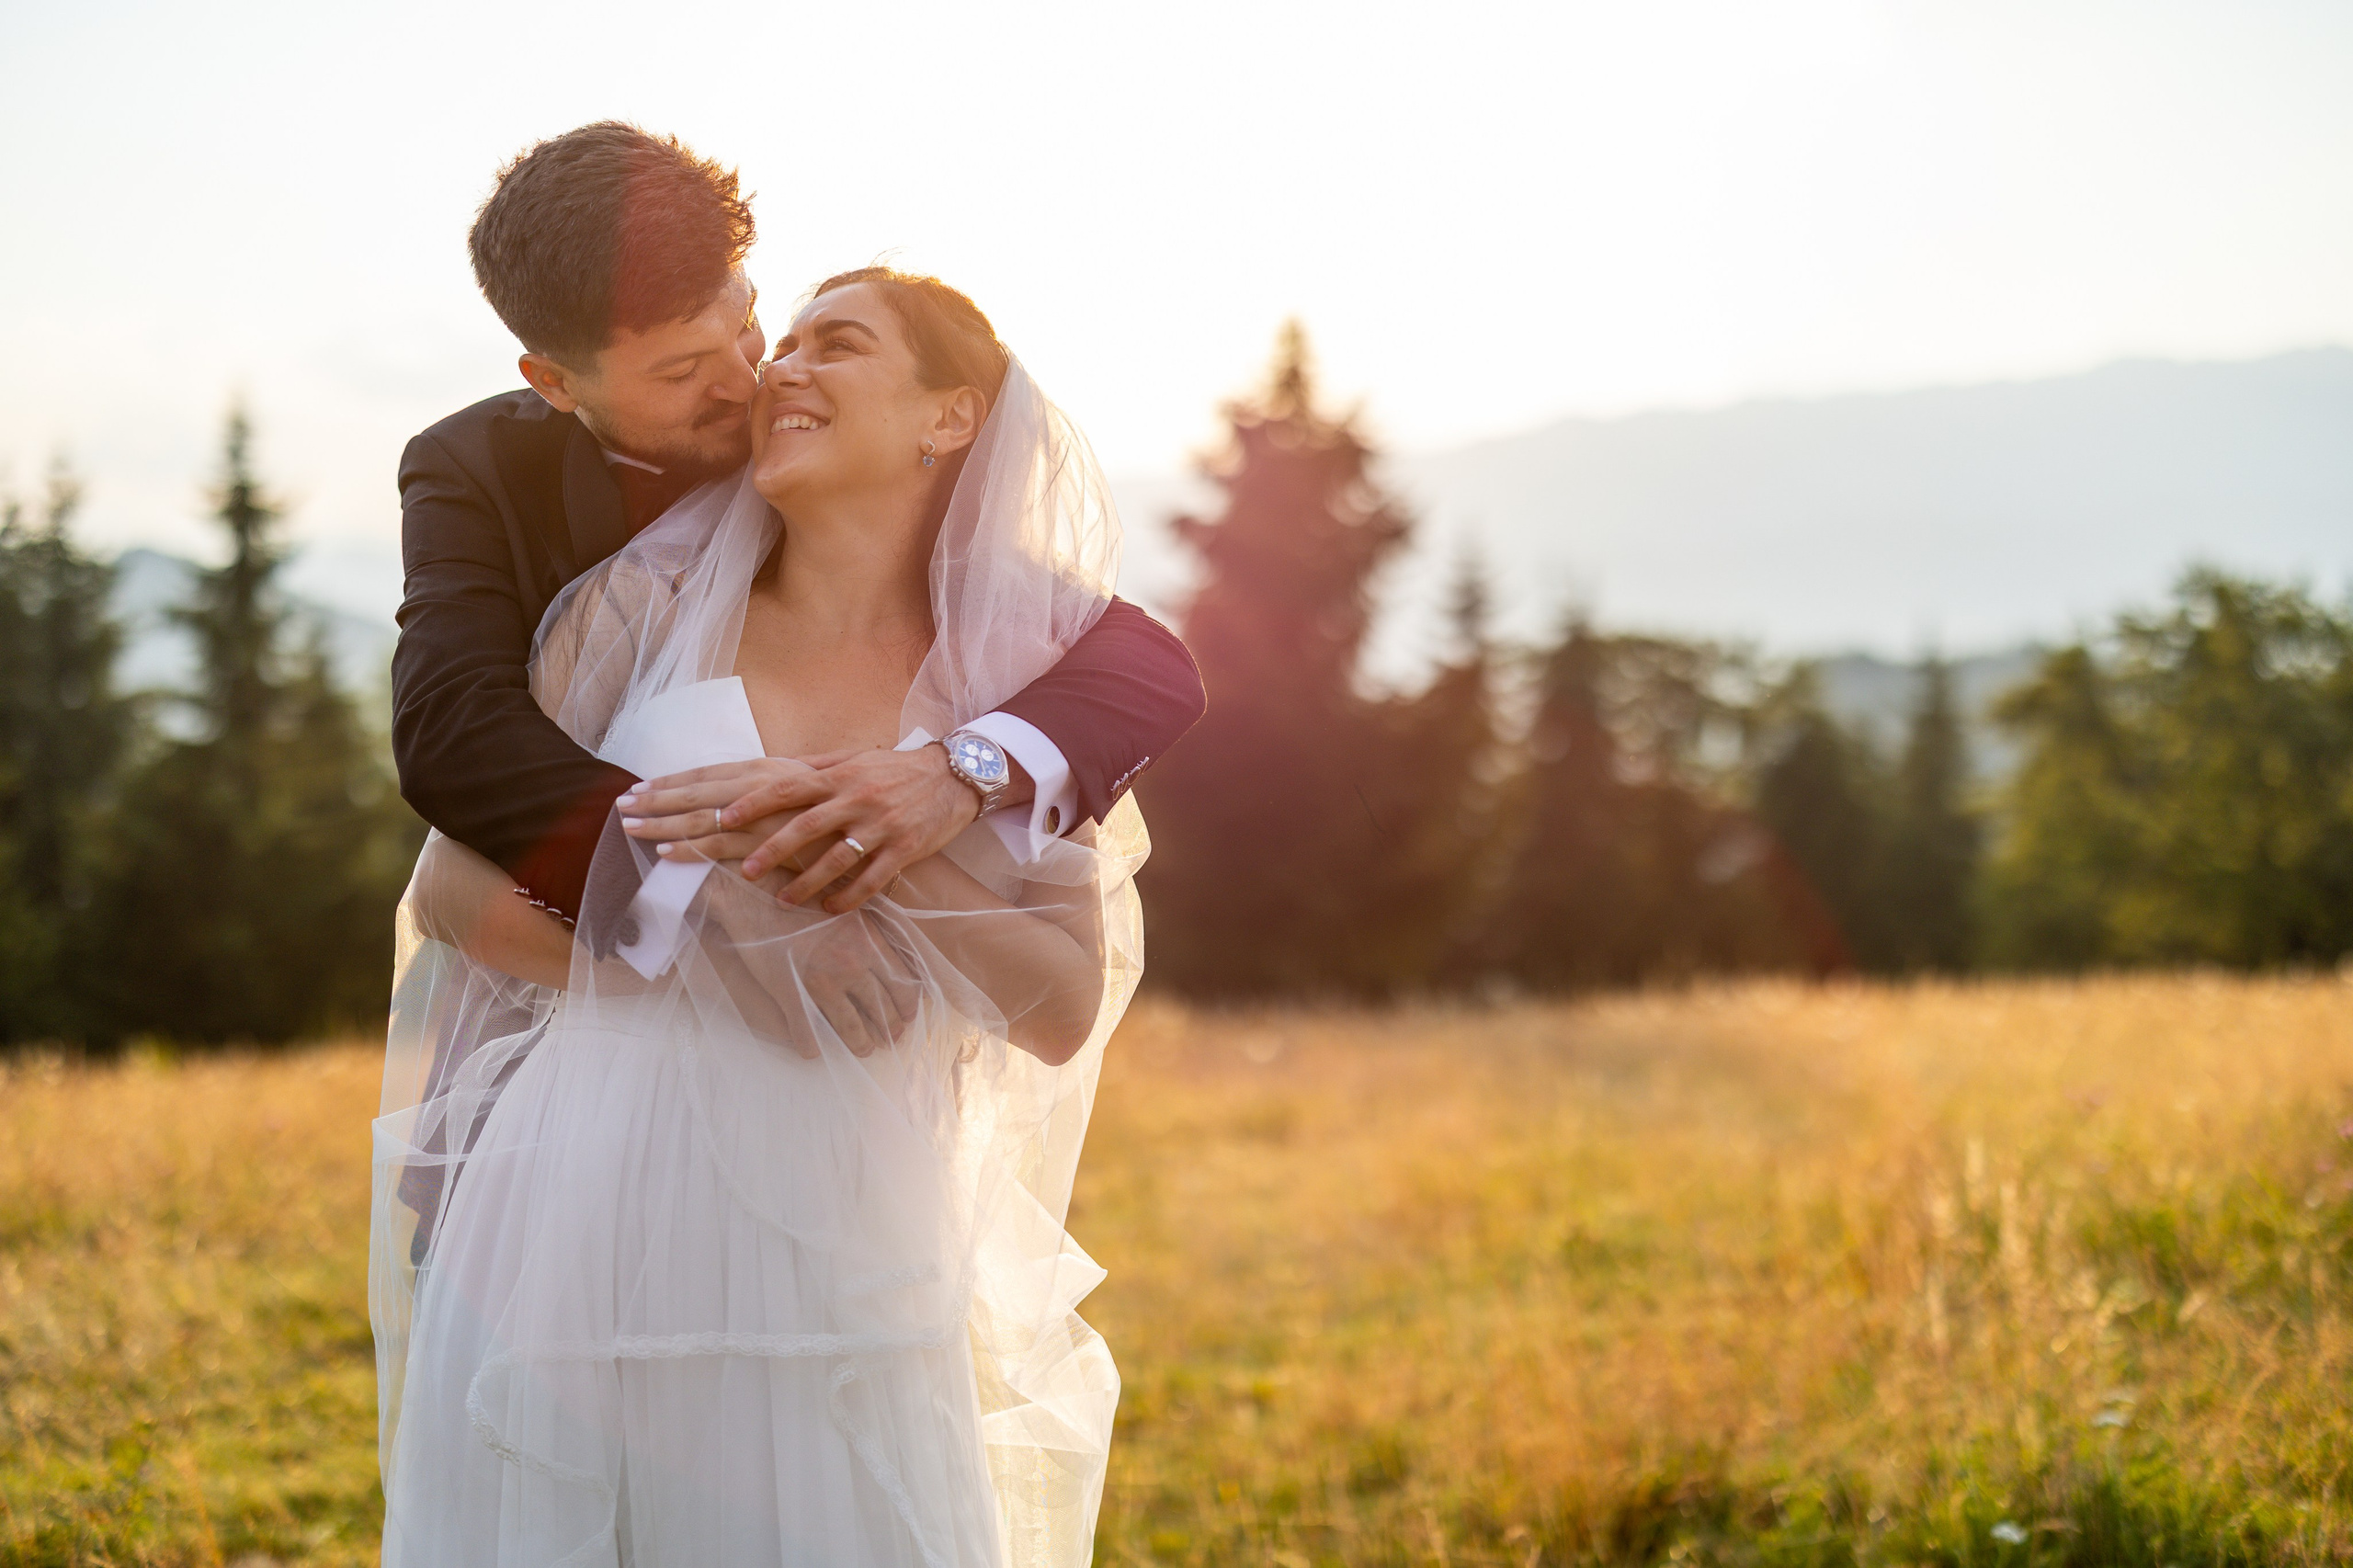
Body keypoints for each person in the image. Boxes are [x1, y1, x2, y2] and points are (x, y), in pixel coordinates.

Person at [371, 268, 1142, 1567]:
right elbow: (452, 889)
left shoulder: (1019, 682)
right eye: (778, 341)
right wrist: (731, 934)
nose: (781, 369)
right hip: (579, 1225)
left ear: (949, 419)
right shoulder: (636, 611)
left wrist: (874, 831)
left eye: (833, 345)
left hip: (860, 1246)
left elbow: (1063, 1009)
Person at [391, 120, 1201, 941]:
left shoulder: (823, 440)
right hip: (563, 972)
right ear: (554, 383)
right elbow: (452, 731)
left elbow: (1149, 666)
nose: (751, 383)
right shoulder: (472, 466)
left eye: (745, 325)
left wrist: (957, 776)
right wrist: (704, 907)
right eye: (681, 372)